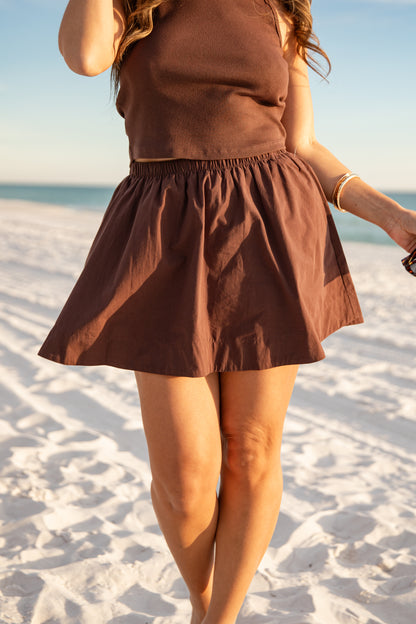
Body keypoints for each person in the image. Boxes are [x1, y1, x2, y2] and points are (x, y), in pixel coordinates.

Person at [38, 1, 416, 622]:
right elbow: (85, 59)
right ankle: (203, 597)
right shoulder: (132, 4)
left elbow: (301, 146)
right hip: (160, 229)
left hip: (267, 223)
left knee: (252, 447)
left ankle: (219, 617)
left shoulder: (280, 7)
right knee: (186, 480)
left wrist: (395, 217)